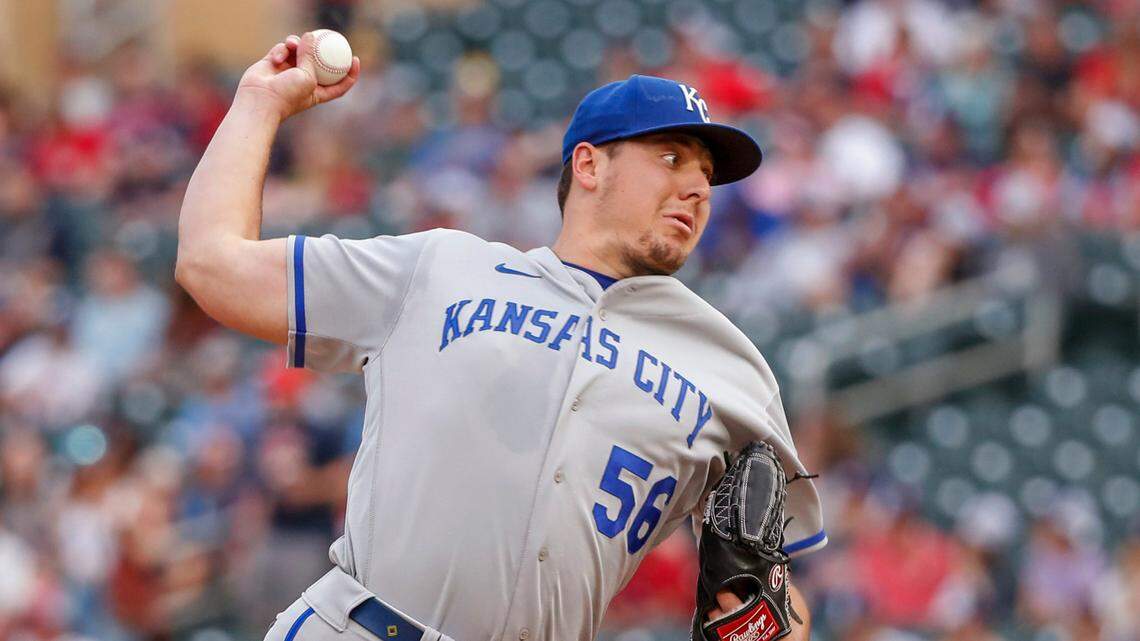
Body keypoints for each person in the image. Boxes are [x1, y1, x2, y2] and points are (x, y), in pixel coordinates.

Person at [176, 32, 826, 641]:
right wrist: (259, 102)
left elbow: (778, 596)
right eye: (671, 156)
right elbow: (211, 265)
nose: (696, 186)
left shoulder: (733, 369)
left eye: (707, 173)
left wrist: (768, 622)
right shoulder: (440, 267)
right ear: (589, 164)